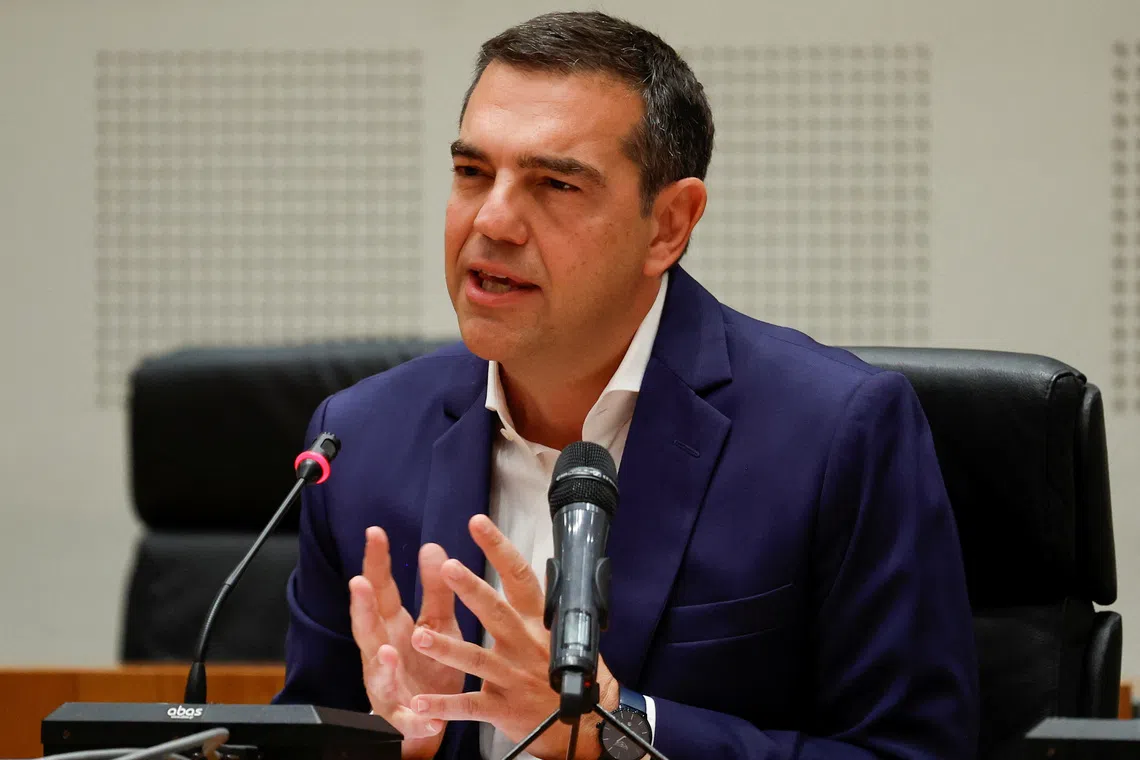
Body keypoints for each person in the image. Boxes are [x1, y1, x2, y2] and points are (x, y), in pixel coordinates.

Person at [274, 10, 979, 760]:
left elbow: (915, 752)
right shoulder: (356, 441)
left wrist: (618, 733)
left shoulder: (837, 433)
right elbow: (298, 743)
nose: (494, 219)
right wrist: (390, 744)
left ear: (669, 225)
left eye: (554, 184)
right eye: (472, 172)